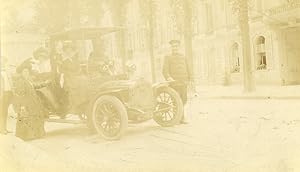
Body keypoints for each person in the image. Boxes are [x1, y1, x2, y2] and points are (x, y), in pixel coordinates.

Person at [14, 59, 51, 140]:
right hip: (27, 104)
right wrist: (22, 107)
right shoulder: (21, 81)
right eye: (24, 72)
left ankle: (35, 135)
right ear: (21, 73)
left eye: (27, 72)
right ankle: (27, 136)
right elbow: (21, 95)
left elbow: (35, 86)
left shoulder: (28, 80)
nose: (26, 73)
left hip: (33, 103)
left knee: (36, 118)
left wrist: (45, 83)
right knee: (27, 119)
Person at [162, 40, 191, 124]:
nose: (175, 48)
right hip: (174, 83)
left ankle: (180, 117)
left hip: (183, 82)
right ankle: (178, 118)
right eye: (173, 46)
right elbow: (165, 70)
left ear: (179, 47)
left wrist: (190, 79)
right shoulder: (168, 57)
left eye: (176, 46)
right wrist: (168, 77)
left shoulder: (183, 57)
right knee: (176, 100)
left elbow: (188, 68)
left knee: (184, 100)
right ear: (171, 48)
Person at [0, 57, 13, 134]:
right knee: (1, 111)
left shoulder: (7, 72)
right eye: (1, 62)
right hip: (2, 94)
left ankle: (4, 128)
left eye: (4, 62)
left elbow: (10, 82)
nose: (3, 63)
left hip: (8, 93)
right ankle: (2, 129)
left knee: (5, 111)